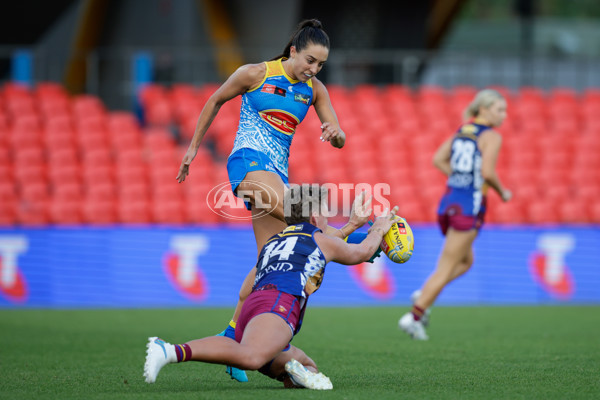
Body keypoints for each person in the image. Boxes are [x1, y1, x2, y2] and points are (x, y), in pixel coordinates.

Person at [175, 19, 373, 381]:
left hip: (277, 177)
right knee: (312, 212)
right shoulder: (255, 73)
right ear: (294, 50)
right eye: (310, 60)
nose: (313, 69)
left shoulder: (313, 91)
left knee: (269, 261)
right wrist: (191, 150)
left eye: (320, 65)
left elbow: (339, 136)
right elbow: (215, 100)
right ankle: (360, 238)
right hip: (249, 164)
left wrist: (337, 132)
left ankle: (233, 333)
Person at [144, 184, 400, 389]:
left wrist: (236, 325)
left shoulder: (275, 241)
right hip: (278, 304)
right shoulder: (320, 241)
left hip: (254, 308)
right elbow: (362, 252)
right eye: (324, 212)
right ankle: (169, 351)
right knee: (252, 357)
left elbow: (246, 288)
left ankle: (289, 370)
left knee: (307, 367)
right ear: (314, 216)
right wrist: (378, 228)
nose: (327, 217)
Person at [399, 89, 512, 340]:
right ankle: (415, 315)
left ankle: (426, 293)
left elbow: (438, 159)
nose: (504, 115)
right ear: (483, 109)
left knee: (465, 262)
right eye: (499, 109)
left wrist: (459, 178)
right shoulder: (491, 136)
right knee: (447, 266)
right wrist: (503, 192)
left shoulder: (464, 131)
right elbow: (488, 172)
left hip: (449, 202)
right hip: (469, 205)